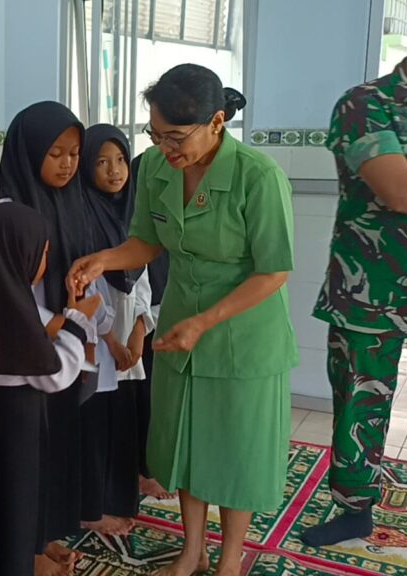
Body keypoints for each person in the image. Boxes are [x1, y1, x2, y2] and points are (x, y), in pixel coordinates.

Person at [69, 64, 295, 576]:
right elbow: (146, 242)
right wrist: (104, 259)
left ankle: (229, 559)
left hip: (243, 334)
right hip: (180, 329)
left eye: (176, 136)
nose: (165, 148)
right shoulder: (156, 168)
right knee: (187, 444)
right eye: (156, 134)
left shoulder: (258, 177)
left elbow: (274, 272)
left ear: (217, 122)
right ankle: (192, 551)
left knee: (235, 452)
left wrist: (205, 322)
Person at [304, 2, 407, 548]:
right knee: (361, 402)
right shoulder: (366, 104)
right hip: (370, 289)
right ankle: (354, 510)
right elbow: (401, 191)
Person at [0, 101, 95, 559]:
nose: (67, 164)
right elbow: (6, 296)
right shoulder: (10, 212)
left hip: (65, 343)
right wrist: (65, 324)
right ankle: (26, 549)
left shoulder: (70, 200)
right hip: (28, 355)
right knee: (26, 457)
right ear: (29, 151)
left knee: (57, 447)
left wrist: (79, 324)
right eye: (55, 154)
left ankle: (44, 535)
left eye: (74, 154)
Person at [77, 125, 156, 536]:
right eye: (102, 162)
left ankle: (118, 497)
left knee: (122, 420)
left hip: (128, 339)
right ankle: (91, 506)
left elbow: (143, 280)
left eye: (121, 160)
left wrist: (139, 331)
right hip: (97, 339)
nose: (115, 171)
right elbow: (85, 288)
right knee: (93, 424)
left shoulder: (133, 215)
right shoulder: (80, 217)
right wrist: (110, 339)